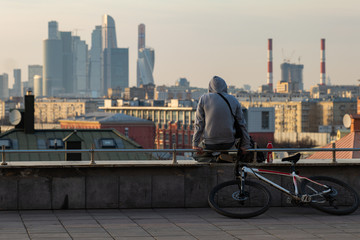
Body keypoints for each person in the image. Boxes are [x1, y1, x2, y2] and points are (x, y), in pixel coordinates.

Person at [192, 76, 251, 161]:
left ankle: (215, 159)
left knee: (195, 154)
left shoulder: (204, 99)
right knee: (226, 149)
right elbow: (242, 124)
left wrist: (195, 144)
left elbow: (199, 124)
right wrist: (246, 145)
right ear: (225, 86)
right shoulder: (234, 100)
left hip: (210, 143)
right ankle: (223, 157)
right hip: (229, 142)